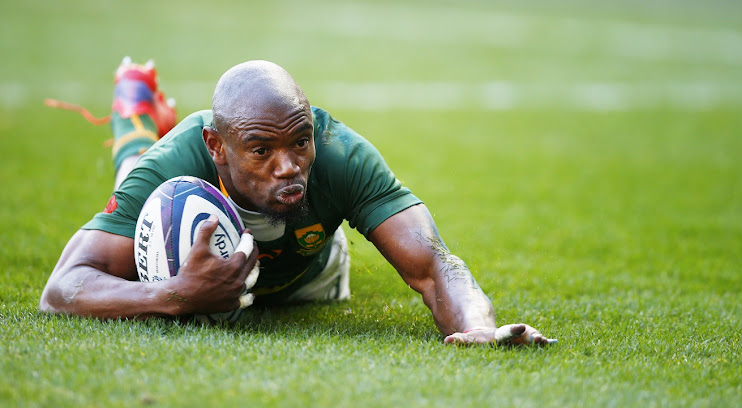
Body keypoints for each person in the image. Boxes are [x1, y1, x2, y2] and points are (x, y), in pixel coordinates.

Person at [39, 57, 556, 346]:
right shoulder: (175, 164)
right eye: (262, 150)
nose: (289, 166)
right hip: (177, 216)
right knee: (138, 178)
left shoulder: (340, 157)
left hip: (308, 279)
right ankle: (134, 104)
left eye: (299, 142)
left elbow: (435, 264)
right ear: (217, 148)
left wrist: (481, 330)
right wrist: (175, 295)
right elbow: (62, 287)